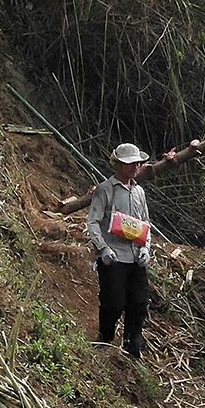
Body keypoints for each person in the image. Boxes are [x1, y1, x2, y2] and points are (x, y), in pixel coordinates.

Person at [86, 143, 152, 358]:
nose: (136, 167)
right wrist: (102, 248)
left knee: (139, 302)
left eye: (138, 163)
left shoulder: (139, 192)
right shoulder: (106, 189)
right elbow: (93, 222)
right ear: (120, 165)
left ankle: (133, 345)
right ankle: (105, 339)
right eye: (131, 163)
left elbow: (145, 223)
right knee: (113, 301)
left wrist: (145, 248)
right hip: (113, 257)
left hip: (135, 257)